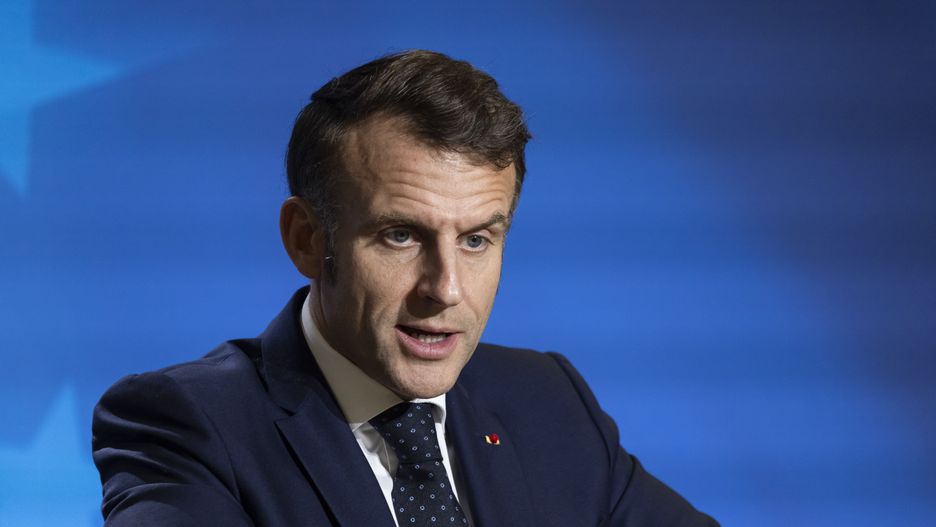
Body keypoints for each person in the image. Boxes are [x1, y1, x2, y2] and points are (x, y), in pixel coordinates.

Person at [92, 50, 718, 526]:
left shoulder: (549, 401)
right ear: (307, 239)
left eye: (477, 239)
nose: (446, 289)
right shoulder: (188, 425)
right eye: (400, 236)